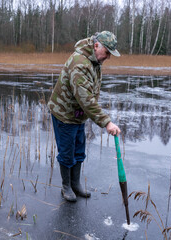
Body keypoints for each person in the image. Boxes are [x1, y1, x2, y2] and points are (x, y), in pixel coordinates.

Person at [48, 31, 121, 202]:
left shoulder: (95, 60)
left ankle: (75, 184)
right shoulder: (79, 63)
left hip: (78, 115)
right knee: (67, 152)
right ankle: (66, 187)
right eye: (107, 52)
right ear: (96, 46)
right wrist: (106, 122)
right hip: (64, 114)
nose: (108, 57)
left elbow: (90, 93)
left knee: (79, 150)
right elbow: (85, 98)